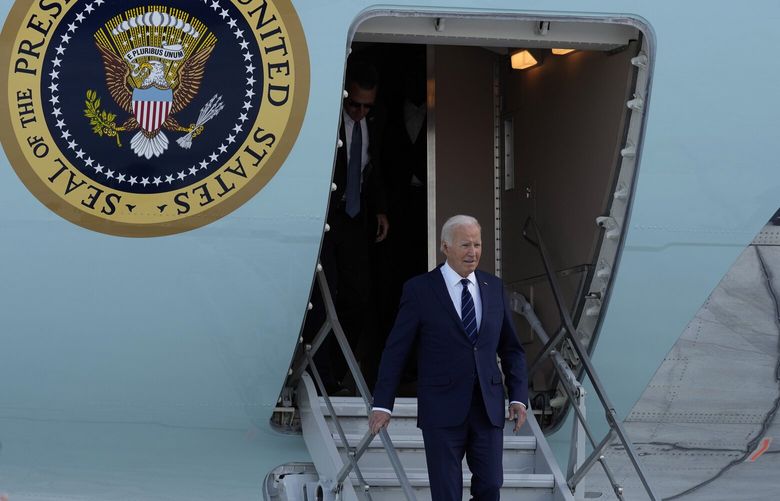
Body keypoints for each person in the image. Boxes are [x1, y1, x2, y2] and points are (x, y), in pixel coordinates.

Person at [370, 215, 528, 501]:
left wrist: (518, 397)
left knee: (491, 485)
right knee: (446, 493)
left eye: (478, 244)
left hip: (487, 408)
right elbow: (397, 350)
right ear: (445, 247)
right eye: (465, 244)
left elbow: (512, 349)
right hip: (441, 409)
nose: (473, 252)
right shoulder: (419, 290)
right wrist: (383, 403)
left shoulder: (494, 288)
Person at [320, 57, 389, 388]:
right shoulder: (329, 122)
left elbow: (374, 169)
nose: (360, 112)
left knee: (358, 298)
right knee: (324, 294)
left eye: (367, 106)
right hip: (326, 217)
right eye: (355, 104)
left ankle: (334, 371)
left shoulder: (373, 123)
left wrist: (380, 210)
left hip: (355, 218)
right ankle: (318, 373)